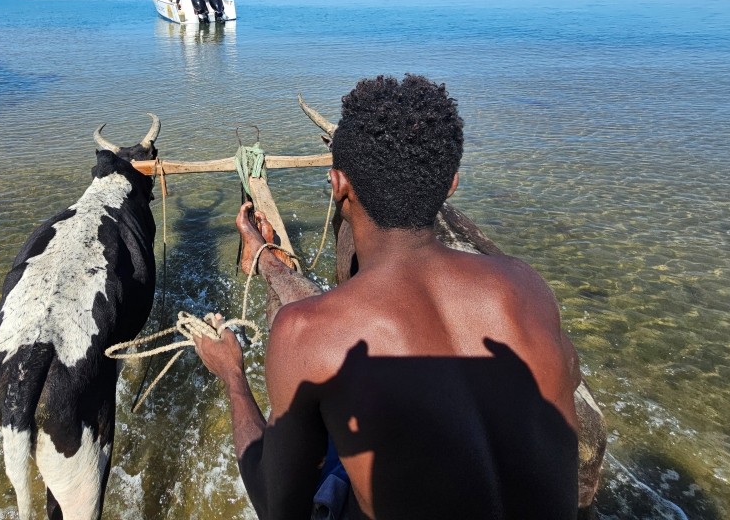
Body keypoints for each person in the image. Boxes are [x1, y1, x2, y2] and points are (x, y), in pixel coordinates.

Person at [194, 74, 581, 519]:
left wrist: (232, 374)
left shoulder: (305, 332)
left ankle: (264, 265)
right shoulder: (527, 286)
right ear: (451, 184)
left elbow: (276, 508)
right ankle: (267, 261)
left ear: (337, 183)